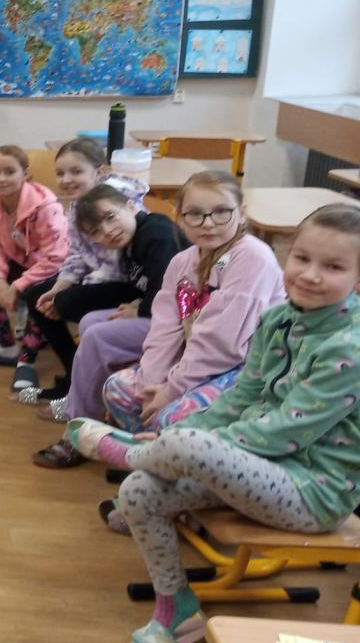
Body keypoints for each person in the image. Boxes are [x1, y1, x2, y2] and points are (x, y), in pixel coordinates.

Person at [65, 203, 360, 643]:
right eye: (302, 258)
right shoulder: (278, 319)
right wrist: (185, 435)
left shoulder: (350, 347)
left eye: (334, 267)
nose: (310, 274)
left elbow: (285, 432)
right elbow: (239, 397)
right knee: (139, 490)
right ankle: (177, 610)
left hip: (311, 492)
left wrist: (187, 444)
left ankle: (134, 453)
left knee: (184, 445)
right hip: (255, 470)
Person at [32, 171, 284, 468]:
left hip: (247, 369)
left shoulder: (252, 257)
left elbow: (222, 345)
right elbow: (164, 329)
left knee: (171, 415)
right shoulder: (183, 262)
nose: (208, 223)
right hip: (196, 361)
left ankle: (165, 466)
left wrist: (171, 389)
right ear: (181, 218)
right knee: (121, 391)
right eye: (195, 214)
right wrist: (151, 381)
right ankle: (152, 460)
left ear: (241, 213)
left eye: (221, 212)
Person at [21, 182, 181, 407]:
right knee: (89, 321)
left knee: (96, 335)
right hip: (156, 309)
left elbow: (171, 293)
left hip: (177, 320)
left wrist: (139, 309)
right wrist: (139, 302)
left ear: (131, 206)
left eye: (110, 217)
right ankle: (91, 398)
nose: (106, 230)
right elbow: (149, 284)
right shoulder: (130, 241)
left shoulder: (156, 234)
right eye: (96, 231)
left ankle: (78, 410)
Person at [20, 137, 150, 403]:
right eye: (60, 173)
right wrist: (57, 288)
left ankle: (87, 379)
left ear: (99, 172)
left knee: (65, 303)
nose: (66, 180)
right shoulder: (79, 206)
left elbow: (117, 265)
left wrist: (64, 297)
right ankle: (73, 373)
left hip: (133, 284)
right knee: (38, 296)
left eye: (76, 171)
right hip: (103, 278)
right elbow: (78, 255)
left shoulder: (111, 202)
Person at [0, 146, 69, 395]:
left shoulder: (46, 207)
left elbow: (55, 258)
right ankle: (5, 347)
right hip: (24, 263)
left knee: (38, 294)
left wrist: (17, 285)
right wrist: (0, 282)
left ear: (26, 174)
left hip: (58, 269)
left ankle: (26, 361)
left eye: (10, 172)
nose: (1, 179)